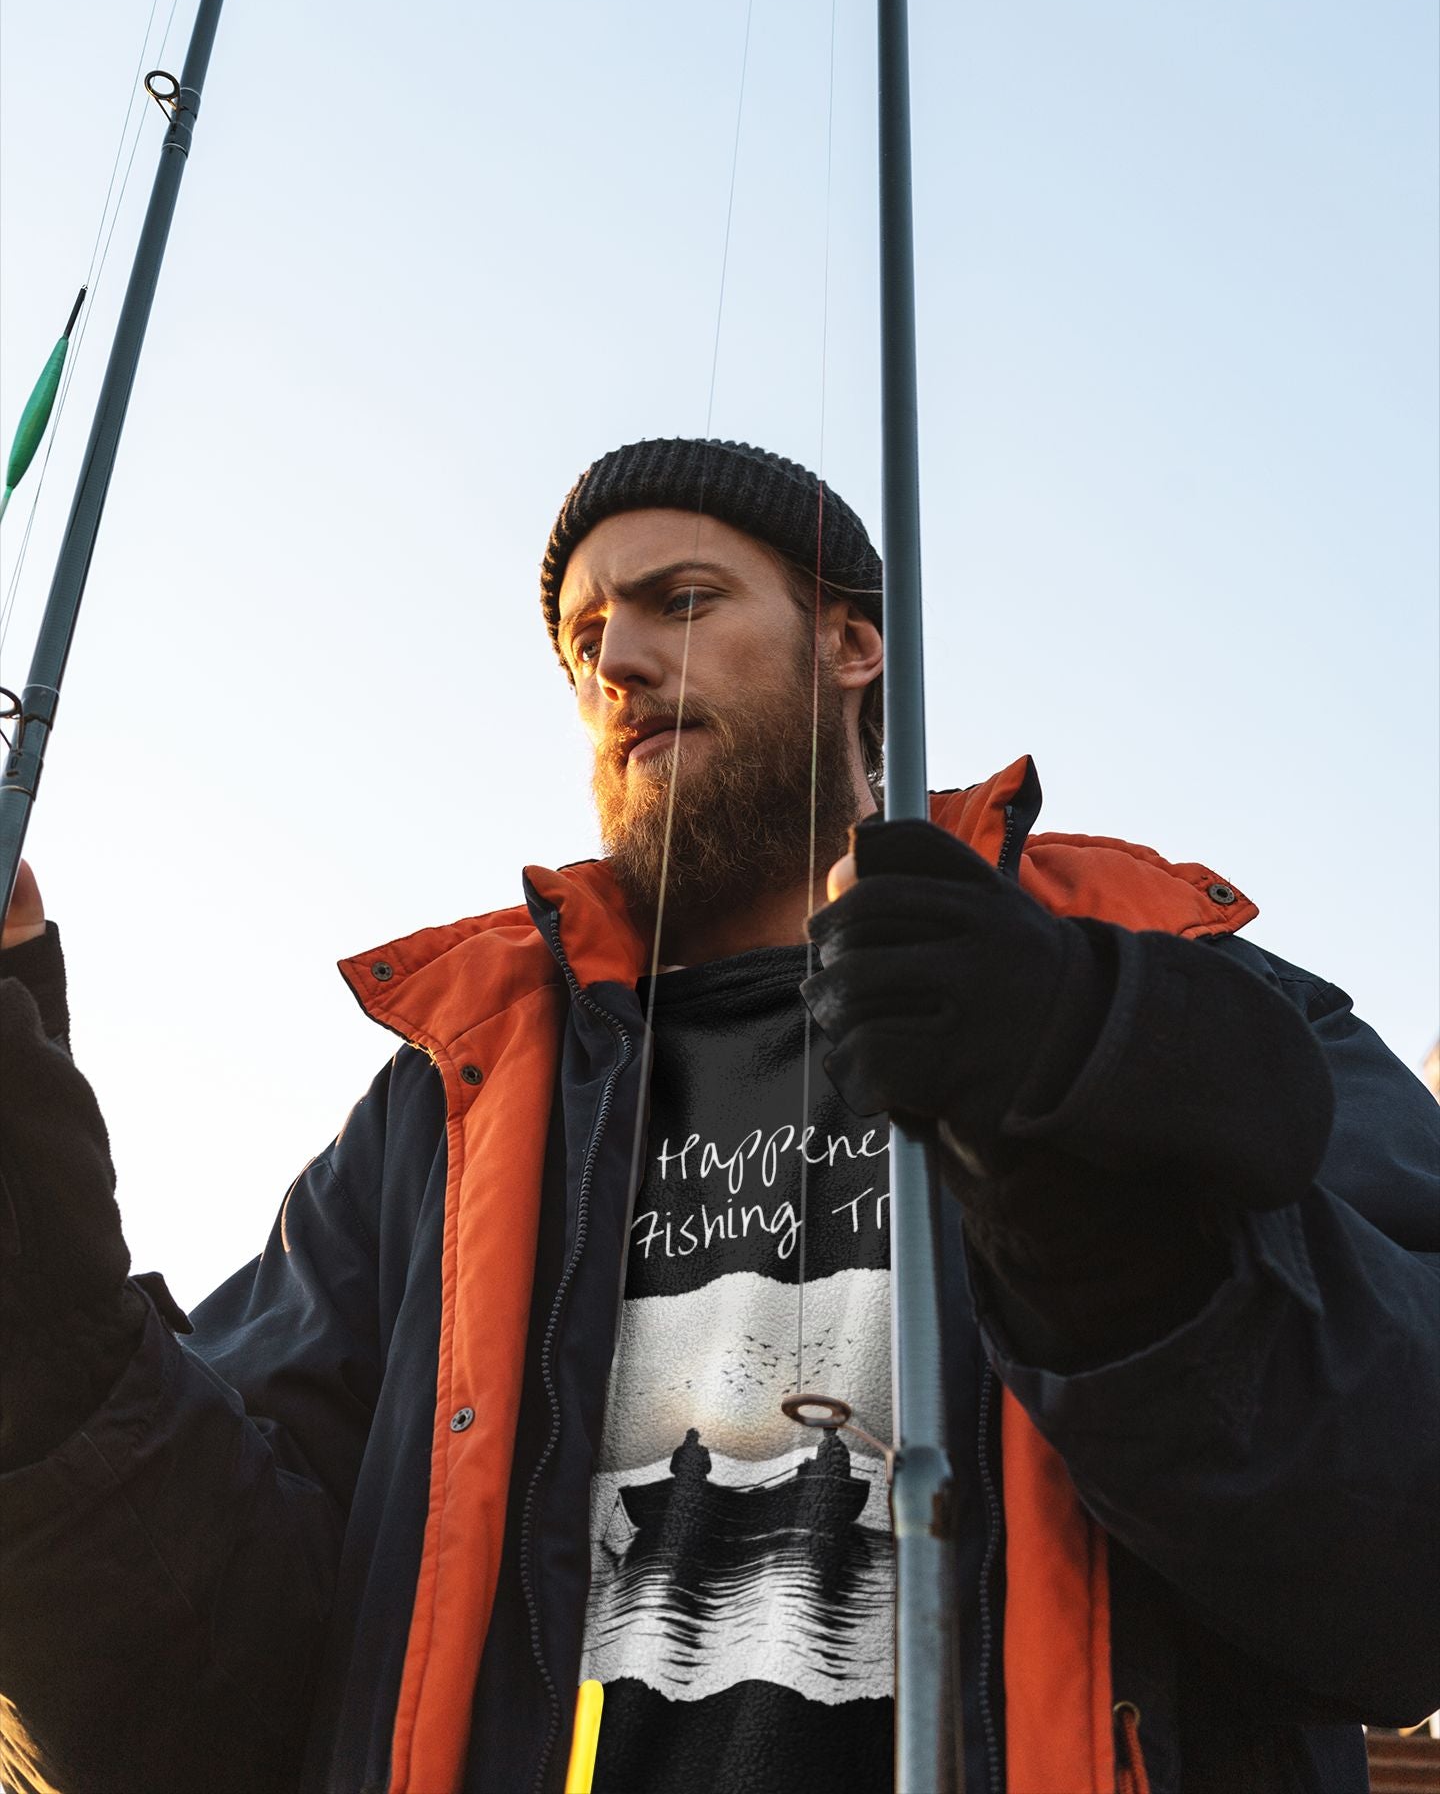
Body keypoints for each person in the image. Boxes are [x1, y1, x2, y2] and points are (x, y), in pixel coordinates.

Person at [1, 436, 1436, 1794]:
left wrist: (1089, 1122)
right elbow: (204, 1706)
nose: (616, 660)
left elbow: (1400, 1577)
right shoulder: (442, 1114)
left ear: (852, 642)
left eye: (680, 602)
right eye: (581, 643)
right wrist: (38, 1277)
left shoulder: (1161, 976)